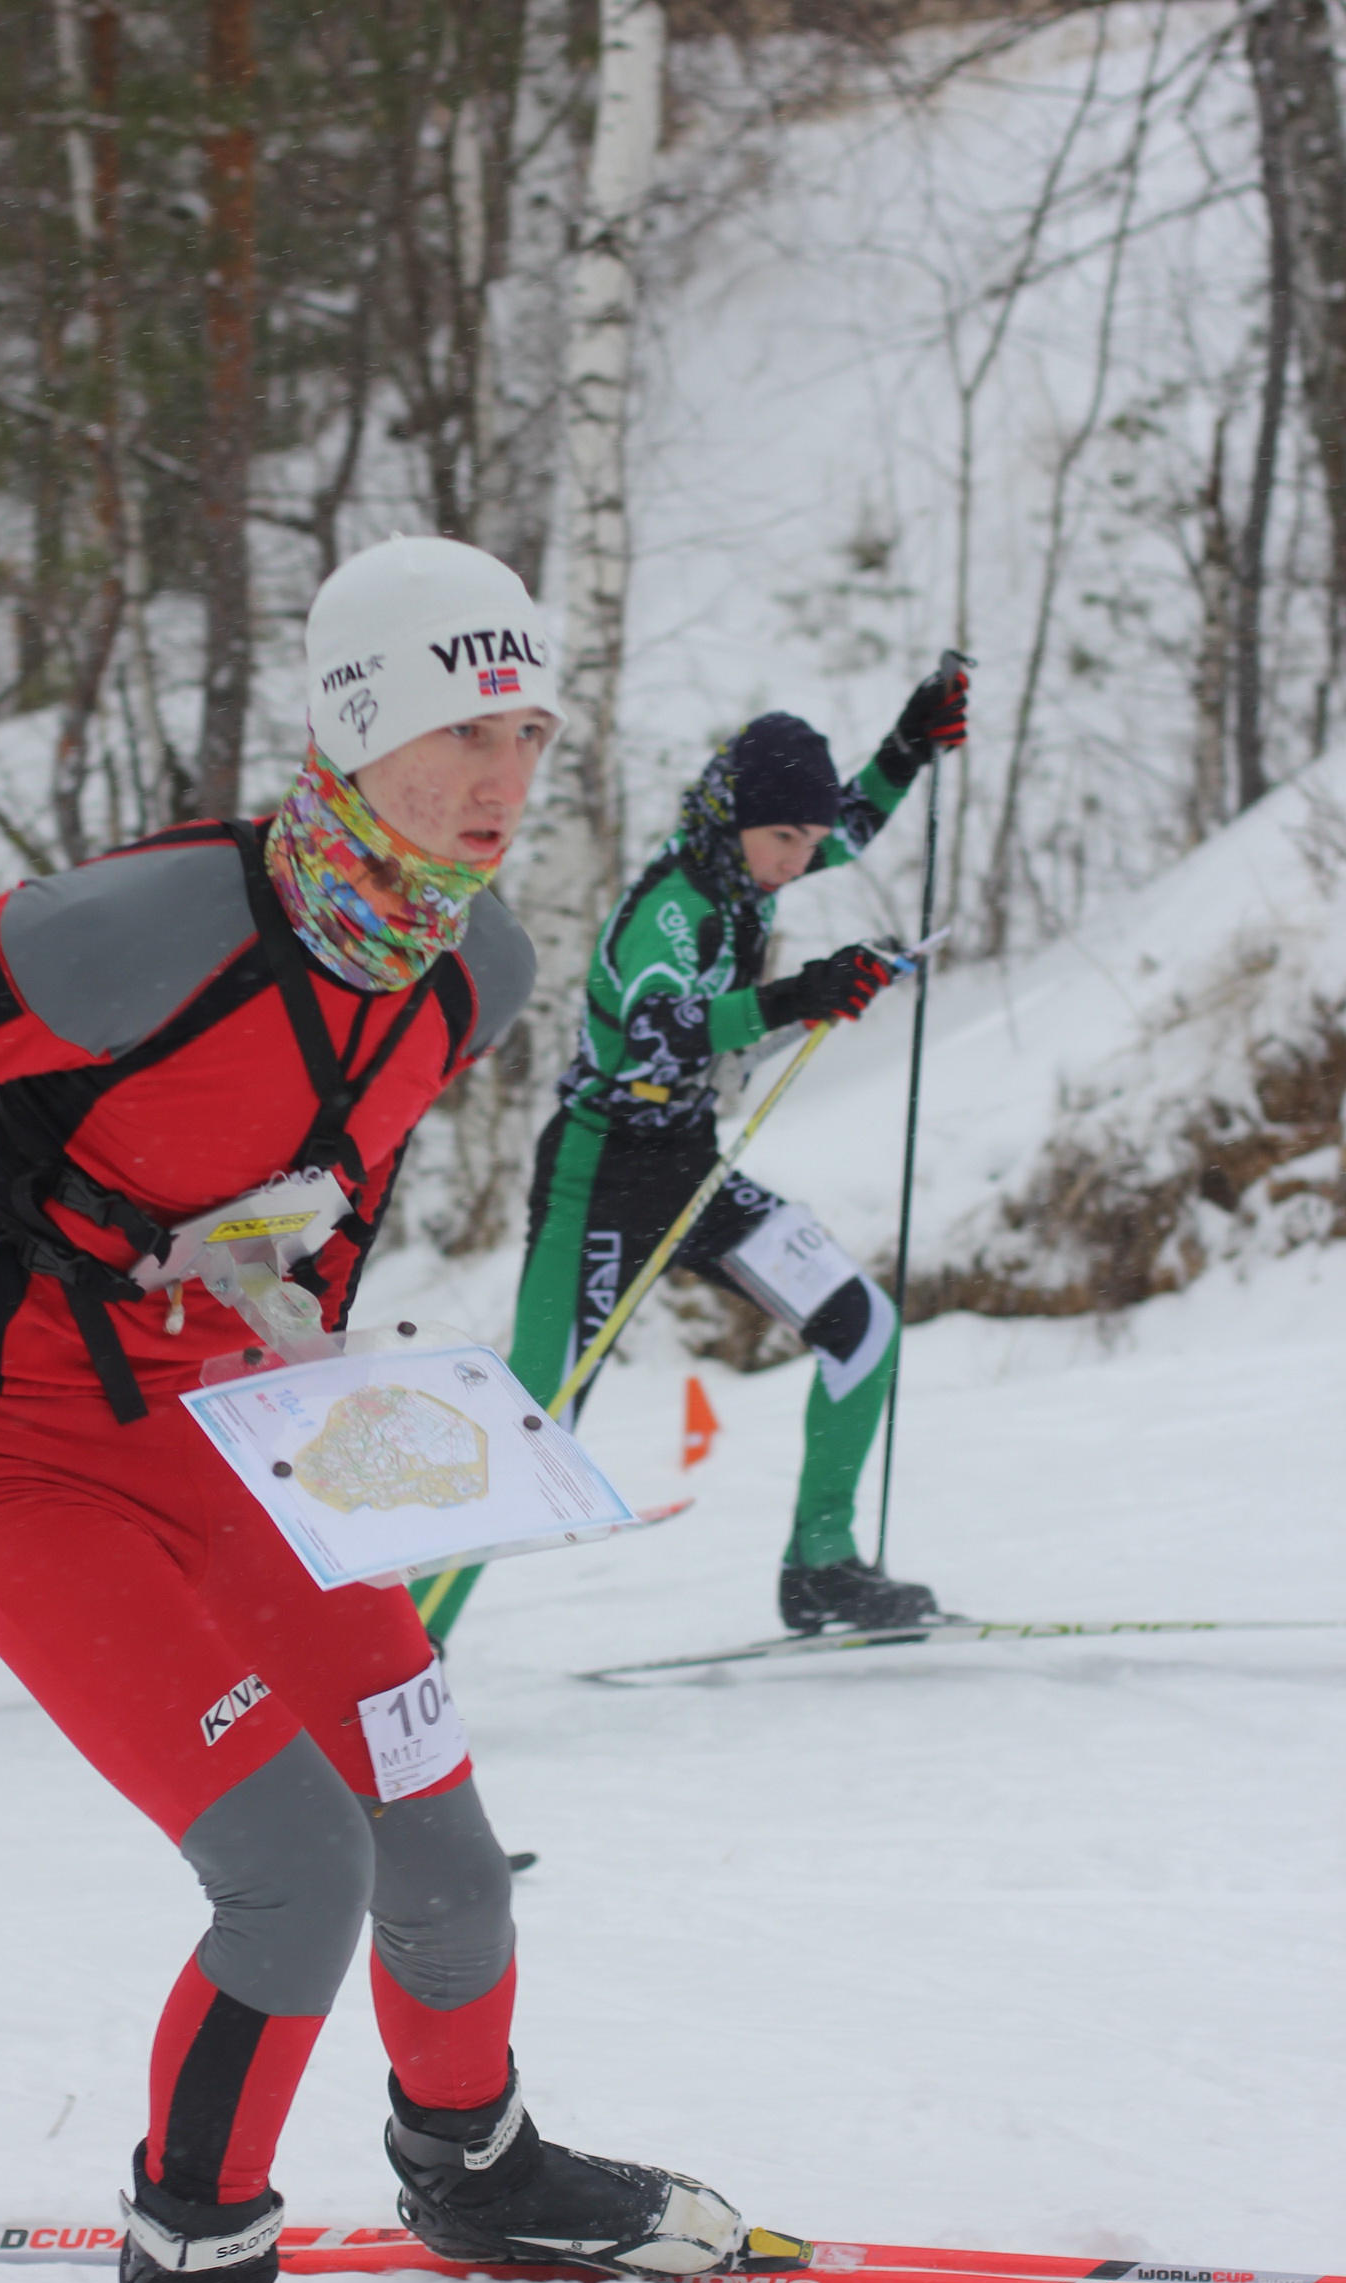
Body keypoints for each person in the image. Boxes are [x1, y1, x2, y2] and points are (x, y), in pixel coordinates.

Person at [0, 537, 801, 2283]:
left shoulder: (472, 970)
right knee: (292, 1870)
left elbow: (300, 1195)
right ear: (352, 728)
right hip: (16, 1449)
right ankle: (194, 2279)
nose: (505, 777)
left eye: (528, 728)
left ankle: (476, 2169)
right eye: (457, 729)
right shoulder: (140, 934)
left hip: (241, 1440)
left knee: (448, 1856)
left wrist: (340, 1377)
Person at [415, 670, 969, 1646]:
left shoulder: (754, 861)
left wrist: (909, 745)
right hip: (600, 1176)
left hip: (691, 1168)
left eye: (806, 842)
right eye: (785, 839)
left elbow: (851, 826)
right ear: (737, 821)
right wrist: (806, 994)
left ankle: (822, 1570)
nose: (802, 860)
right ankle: (400, 1646)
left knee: (863, 1328)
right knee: (538, 1419)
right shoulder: (673, 908)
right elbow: (661, 1034)